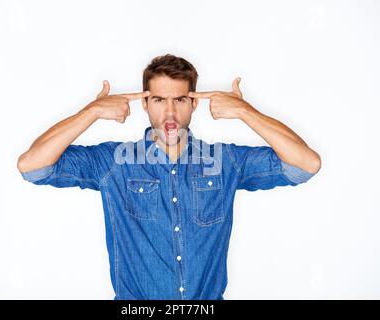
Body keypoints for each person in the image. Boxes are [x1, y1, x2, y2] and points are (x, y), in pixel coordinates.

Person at [17, 53, 321, 300]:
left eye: (180, 100)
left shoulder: (226, 161)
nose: (170, 113)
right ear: (146, 104)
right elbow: (33, 167)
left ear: (194, 103)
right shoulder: (113, 163)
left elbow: (305, 164)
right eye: (160, 100)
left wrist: (245, 112)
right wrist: (91, 112)